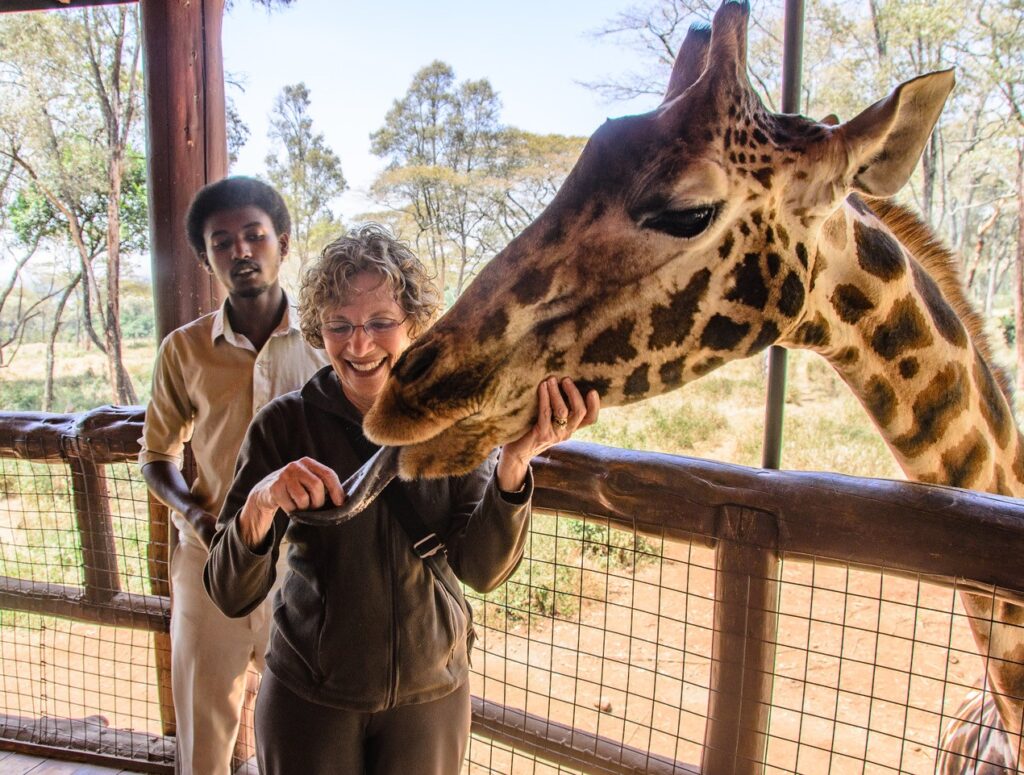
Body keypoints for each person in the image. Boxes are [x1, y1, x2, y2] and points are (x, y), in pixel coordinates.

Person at [204, 224, 600, 775]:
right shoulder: (283, 425)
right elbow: (228, 591)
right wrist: (261, 504)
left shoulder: (452, 420)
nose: (359, 345)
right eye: (340, 325)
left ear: (415, 326)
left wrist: (514, 462)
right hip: (309, 700)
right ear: (320, 330)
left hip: (429, 698)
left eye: (381, 323)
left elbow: (482, 570)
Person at [138, 176, 328, 775]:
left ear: (283, 243)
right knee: (204, 727)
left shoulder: (329, 344)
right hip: (208, 559)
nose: (241, 251)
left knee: (301, 722)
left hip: (307, 562)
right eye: (222, 243)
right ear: (205, 258)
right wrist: (196, 517)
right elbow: (156, 455)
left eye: (254, 236)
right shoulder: (184, 350)